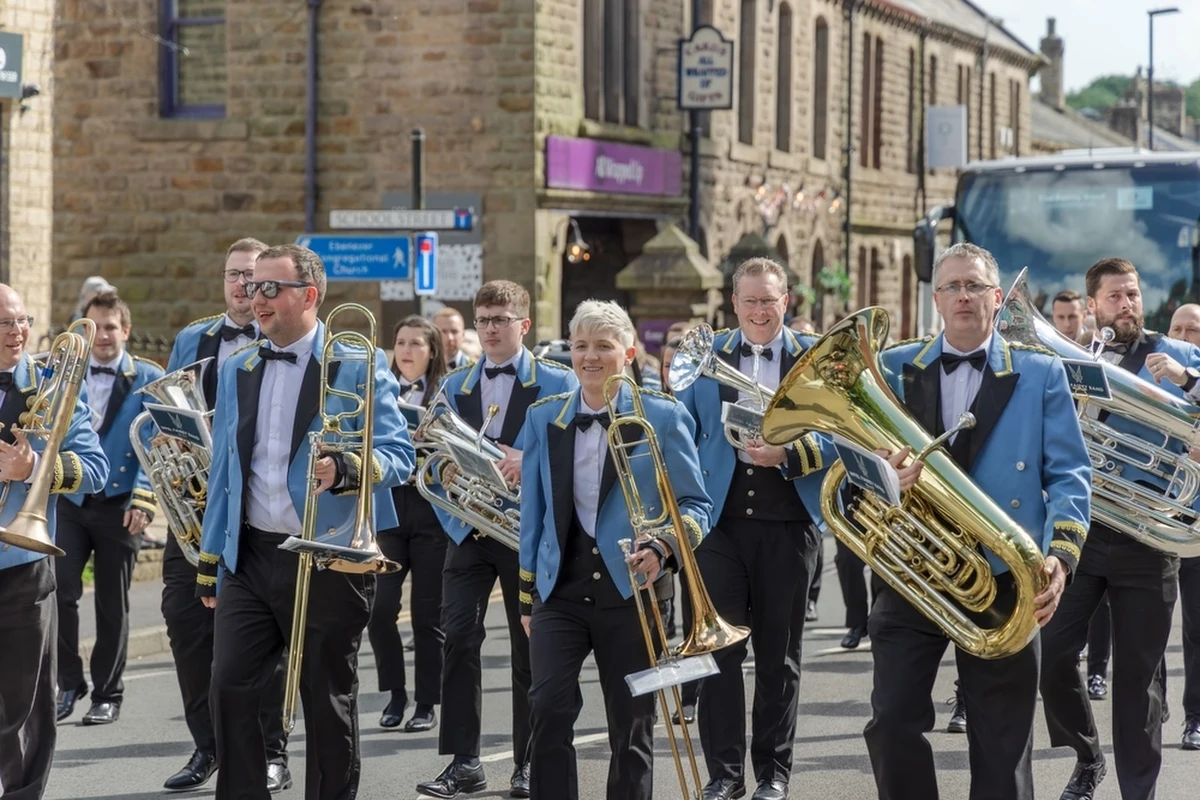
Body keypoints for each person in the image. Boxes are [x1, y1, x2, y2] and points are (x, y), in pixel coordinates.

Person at [866, 242, 1090, 800]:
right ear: (936, 298)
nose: (963, 296)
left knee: (1002, 742)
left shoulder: (1042, 373)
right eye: (952, 287)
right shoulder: (894, 366)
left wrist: (1060, 557)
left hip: (1005, 576)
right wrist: (886, 475)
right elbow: (852, 461)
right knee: (891, 722)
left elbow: (1069, 475)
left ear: (997, 297)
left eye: (974, 286)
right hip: (913, 568)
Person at [194, 243, 415, 800]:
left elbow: (398, 455)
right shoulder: (239, 364)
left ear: (309, 296)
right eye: (251, 286)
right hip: (250, 554)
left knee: (326, 696)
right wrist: (210, 559)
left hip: (328, 554)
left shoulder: (358, 364)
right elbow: (225, 472)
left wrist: (345, 467)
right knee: (229, 686)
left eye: (271, 287)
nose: (254, 296)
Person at [519, 299, 713, 799]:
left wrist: (665, 547)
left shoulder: (664, 417)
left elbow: (696, 506)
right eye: (580, 345)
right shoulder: (545, 419)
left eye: (602, 346)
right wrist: (527, 595)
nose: (589, 356)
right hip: (559, 591)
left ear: (627, 353)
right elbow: (533, 515)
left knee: (630, 727)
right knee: (547, 708)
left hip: (636, 592)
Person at [1040, 257, 1200, 800]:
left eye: (1132, 294)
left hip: (1148, 535)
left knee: (1138, 684)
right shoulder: (1068, 358)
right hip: (1083, 534)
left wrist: (1188, 381)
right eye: (1114, 297)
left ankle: (1140, 793)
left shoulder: (1176, 352)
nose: (1126, 304)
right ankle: (1087, 756)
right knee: (1052, 654)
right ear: (1092, 306)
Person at [674, 257, 834, 800]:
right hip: (717, 525)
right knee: (718, 654)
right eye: (749, 300)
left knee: (778, 658)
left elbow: (845, 436)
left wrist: (789, 453)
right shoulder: (705, 354)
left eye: (769, 299)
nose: (759, 310)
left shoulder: (814, 358)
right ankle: (725, 776)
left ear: (785, 300)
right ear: (733, 303)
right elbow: (680, 430)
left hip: (788, 525)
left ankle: (773, 772)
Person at [416, 280, 577, 799]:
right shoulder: (456, 384)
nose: (489, 329)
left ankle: (527, 764)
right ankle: (464, 762)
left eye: (500, 320)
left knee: (530, 649)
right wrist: (451, 483)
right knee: (458, 638)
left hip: (527, 534)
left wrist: (527, 462)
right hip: (469, 529)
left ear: (523, 325)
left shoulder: (557, 381)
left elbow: (578, 452)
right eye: (483, 320)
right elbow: (432, 459)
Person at [158, 237, 293, 792]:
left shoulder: (286, 339)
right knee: (186, 628)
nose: (243, 287)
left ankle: (272, 751)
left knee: (266, 643)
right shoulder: (194, 337)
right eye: (234, 275)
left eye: (253, 278)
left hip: (260, 516)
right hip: (195, 514)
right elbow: (166, 413)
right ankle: (207, 747)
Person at [0, 285, 108, 799]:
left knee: (23, 707)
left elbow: (97, 470)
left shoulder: (55, 383)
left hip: (20, 562)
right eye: (4, 322)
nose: (17, 331)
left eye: (22, 319)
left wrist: (34, 468)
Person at [56, 291, 164, 726]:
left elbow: (157, 444)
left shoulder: (150, 376)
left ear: (127, 330)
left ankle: (107, 693)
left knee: (112, 602)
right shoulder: (64, 374)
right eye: (96, 326)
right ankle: (68, 683)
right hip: (71, 499)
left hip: (121, 504)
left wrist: (143, 497)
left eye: (112, 327)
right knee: (59, 592)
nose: (103, 336)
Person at [366, 315, 449, 734]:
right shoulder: (379, 391)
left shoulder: (445, 394)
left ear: (432, 351)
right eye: (400, 342)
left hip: (431, 512)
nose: (407, 351)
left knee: (426, 617)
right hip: (390, 510)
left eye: (416, 343)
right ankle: (395, 693)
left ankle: (426, 701)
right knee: (379, 610)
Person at [1167, 303, 1200, 752]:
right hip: (1155, 513)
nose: (1185, 336)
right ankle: (1153, 702)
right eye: (1177, 329)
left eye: (1194, 330)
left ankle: (1196, 716)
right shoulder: (1152, 373)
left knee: (1196, 627)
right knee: (1145, 625)